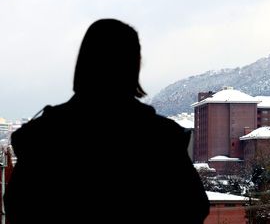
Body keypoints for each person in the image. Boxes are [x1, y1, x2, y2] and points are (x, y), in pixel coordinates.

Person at [4, 19, 209, 224]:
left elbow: (18, 208)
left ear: (83, 63)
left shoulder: (42, 136)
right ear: (134, 65)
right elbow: (193, 208)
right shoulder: (161, 137)